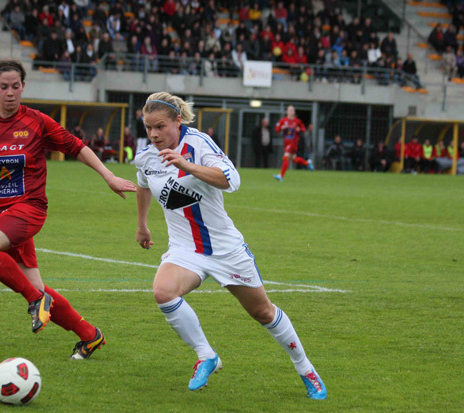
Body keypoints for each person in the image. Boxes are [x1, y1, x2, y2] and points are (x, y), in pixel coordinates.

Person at [0, 58, 136, 360]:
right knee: (38, 285)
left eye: (15, 86)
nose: (10, 92)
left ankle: (35, 301)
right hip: (2, 219)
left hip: (29, 209)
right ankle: (90, 335)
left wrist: (108, 176)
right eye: (3, 86)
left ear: (23, 87)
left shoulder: (37, 121)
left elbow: (76, 146)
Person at [134, 92, 327, 399]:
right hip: (186, 249)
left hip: (225, 249)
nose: (154, 134)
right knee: (163, 291)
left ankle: (306, 370)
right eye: (148, 128)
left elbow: (231, 179)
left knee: (263, 312)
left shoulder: (198, 144)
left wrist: (188, 165)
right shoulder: (146, 156)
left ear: (177, 121)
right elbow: (143, 183)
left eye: (160, 126)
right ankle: (206, 355)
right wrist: (142, 224)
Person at [273, 105, 313, 181]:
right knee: (294, 159)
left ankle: (281, 176)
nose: (291, 112)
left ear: (294, 112)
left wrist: (299, 129)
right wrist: (281, 128)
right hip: (286, 143)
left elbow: (303, 129)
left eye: (292, 110)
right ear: (287, 111)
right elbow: (277, 129)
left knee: (286, 156)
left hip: (293, 143)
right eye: (289, 110)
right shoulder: (283, 120)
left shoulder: (297, 121)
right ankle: (307, 163)